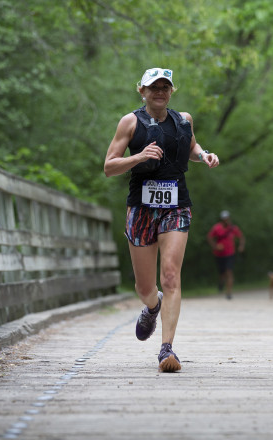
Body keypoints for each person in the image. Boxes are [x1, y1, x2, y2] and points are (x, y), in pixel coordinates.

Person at [103, 67, 219, 372]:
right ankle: (151, 306)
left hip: (176, 205)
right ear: (141, 90)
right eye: (154, 87)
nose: (160, 92)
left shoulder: (184, 120)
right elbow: (109, 166)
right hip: (140, 208)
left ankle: (167, 349)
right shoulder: (130, 122)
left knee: (170, 276)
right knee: (145, 287)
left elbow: (190, 146)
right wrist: (139, 156)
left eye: (165, 87)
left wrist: (204, 155)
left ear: (172, 91)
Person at [207, 210, 245, 299]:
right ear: (222, 219)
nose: (226, 220)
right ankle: (221, 282)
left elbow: (241, 237)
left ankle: (229, 293)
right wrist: (215, 246)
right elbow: (209, 237)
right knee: (222, 273)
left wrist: (241, 246)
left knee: (229, 272)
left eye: (227, 218)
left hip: (230, 254)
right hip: (219, 254)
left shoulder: (233, 228)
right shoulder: (217, 228)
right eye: (224, 219)